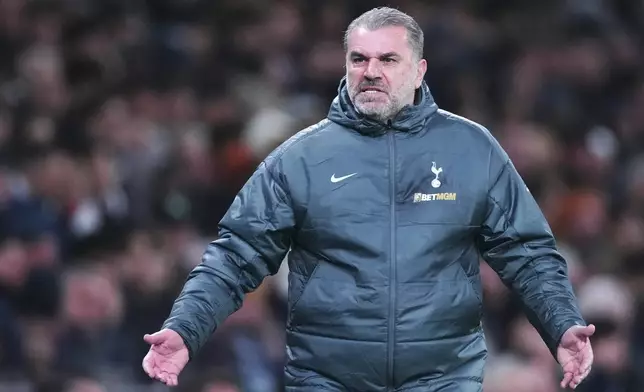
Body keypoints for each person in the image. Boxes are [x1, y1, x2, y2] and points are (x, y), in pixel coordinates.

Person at [142, 7, 595, 391]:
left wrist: (561, 324)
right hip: (327, 377)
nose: (371, 71)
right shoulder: (300, 158)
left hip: (441, 377)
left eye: (388, 59)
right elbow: (234, 256)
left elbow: (528, 253)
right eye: (359, 59)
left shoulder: (473, 149)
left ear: (418, 70)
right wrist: (185, 328)